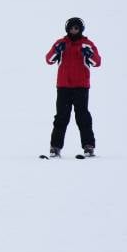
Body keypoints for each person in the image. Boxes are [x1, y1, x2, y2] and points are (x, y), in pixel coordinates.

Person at [45, 17, 101, 158]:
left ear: (81, 29)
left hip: (81, 87)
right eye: (71, 28)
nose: (74, 31)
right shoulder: (61, 43)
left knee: (82, 116)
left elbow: (97, 62)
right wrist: (57, 50)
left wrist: (89, 54)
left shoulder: (86, 44)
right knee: (61, 117)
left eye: (76, 28)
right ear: (67, 29)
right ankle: (55, 147)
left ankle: (88, 146)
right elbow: (49, 59)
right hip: (63, 86)